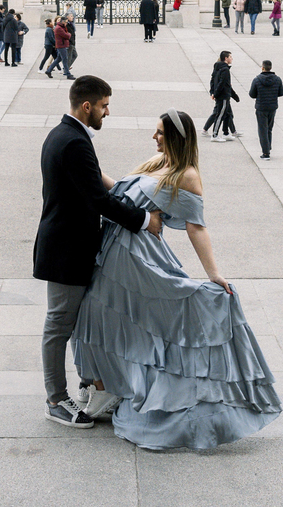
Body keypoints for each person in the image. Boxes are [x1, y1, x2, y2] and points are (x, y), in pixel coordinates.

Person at [70, 108, 280, 449]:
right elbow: (118, 192)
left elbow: (196, 226)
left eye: (161, 133)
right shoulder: (156, 162)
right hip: (112, 250)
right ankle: (107, 386)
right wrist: (88, 166)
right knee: (96, 319)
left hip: (135, 258)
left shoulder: (188, 175)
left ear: (178, 138)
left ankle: (114, 391)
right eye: (155, 132)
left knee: (123, 321)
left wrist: (213, 273)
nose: (154, 137)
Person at [35, 76, 163, 428]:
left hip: (69, 245)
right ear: (87, 106)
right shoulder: (74, 141)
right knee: (59, 324)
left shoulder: (66, 134)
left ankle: (86, 383)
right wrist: (142, 220)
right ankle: (55, 400)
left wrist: (126, 189)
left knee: (74, 322)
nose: (108, 112)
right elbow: (97, 199)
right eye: (104, 106)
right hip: (66, 250)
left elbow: (93, 186)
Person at [248, 60, 283, 160]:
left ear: (262, 68)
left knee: (262, 129)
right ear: (271, 67)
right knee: (269, 128)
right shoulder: (277, 79)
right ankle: (268, 146)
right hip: (272, 107)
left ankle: (265, 152)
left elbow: (252, 94)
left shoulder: (257, 80)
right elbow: (281, 93)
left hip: (261, 107)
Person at [203, 51, 240, 141]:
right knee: (220, 115)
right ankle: (215, 135)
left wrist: (212, 92)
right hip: (223, 96)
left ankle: (226, 133)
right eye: (230, 57)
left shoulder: (218, 68)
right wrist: (215, 94)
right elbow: (223, 83)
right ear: (226, 58)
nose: (232, 58)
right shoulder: (225, 70)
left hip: (222, 94)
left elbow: (213, 80)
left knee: (227, 114)